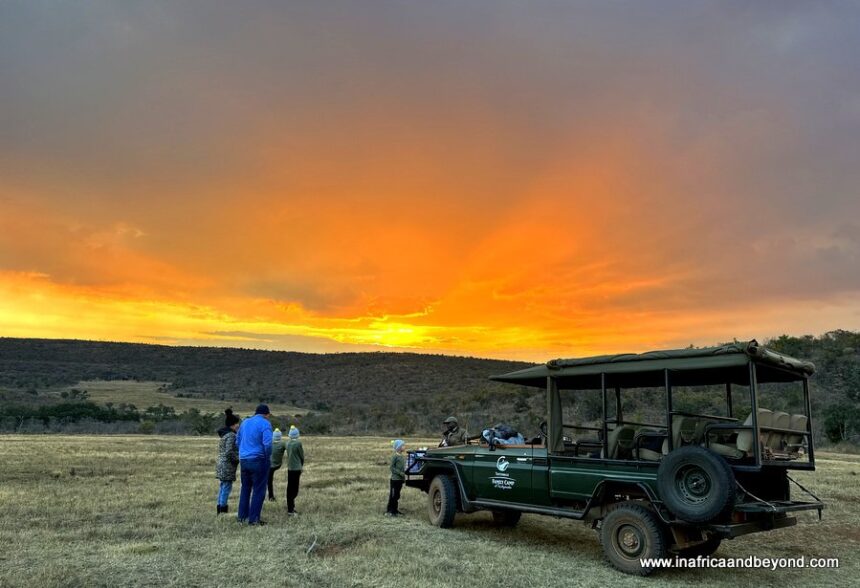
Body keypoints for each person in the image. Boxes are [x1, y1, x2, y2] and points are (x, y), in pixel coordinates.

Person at [236, 403, 273, 525]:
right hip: (258, 460)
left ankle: (242, 517)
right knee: (259, 490)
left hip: (244, 460)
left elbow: (238, 441)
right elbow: (267, 444)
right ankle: (254, 519)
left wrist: (244, 452)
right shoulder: (265, 423)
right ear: (266, 414)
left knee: (245, 489)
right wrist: (267, 458)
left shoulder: (245, 422)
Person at [215, 409, 241, 514]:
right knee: (226, 488)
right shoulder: (231, 436)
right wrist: (239, 459)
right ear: (233, 425)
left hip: (221, 464)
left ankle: (219, 509)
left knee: (222, 487)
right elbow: (229, 451)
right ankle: (223, 510)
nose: (238, 426)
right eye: (237, 424)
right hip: (227, 466)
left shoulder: (224, 435)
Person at [285, 425, 304, 515]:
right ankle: (291, 509)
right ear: (297, 435)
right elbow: (301, 456)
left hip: (290, 468)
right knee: (295, 489)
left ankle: (290, 508)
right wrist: (301, 464)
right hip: (296, 468)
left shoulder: (287, 443)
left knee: (290, 488)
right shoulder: (298, 443)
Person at [385, 439, 406, 516]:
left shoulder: (402, 456)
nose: (404, 447)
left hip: (400, 480)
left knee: (397, 495)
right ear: (399, 447)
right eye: (403, 445)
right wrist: (400, 473)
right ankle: (390, 511)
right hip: (395, 480)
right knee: (393, 496)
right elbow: (392, 467)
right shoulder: (395, 456)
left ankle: (395, 510)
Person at [268, 428, 285, 502]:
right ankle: (271, 497)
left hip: (268, 465)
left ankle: (271, 496)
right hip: (277, 464)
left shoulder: (269, 443)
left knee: (269, 481)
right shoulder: (282, 444)